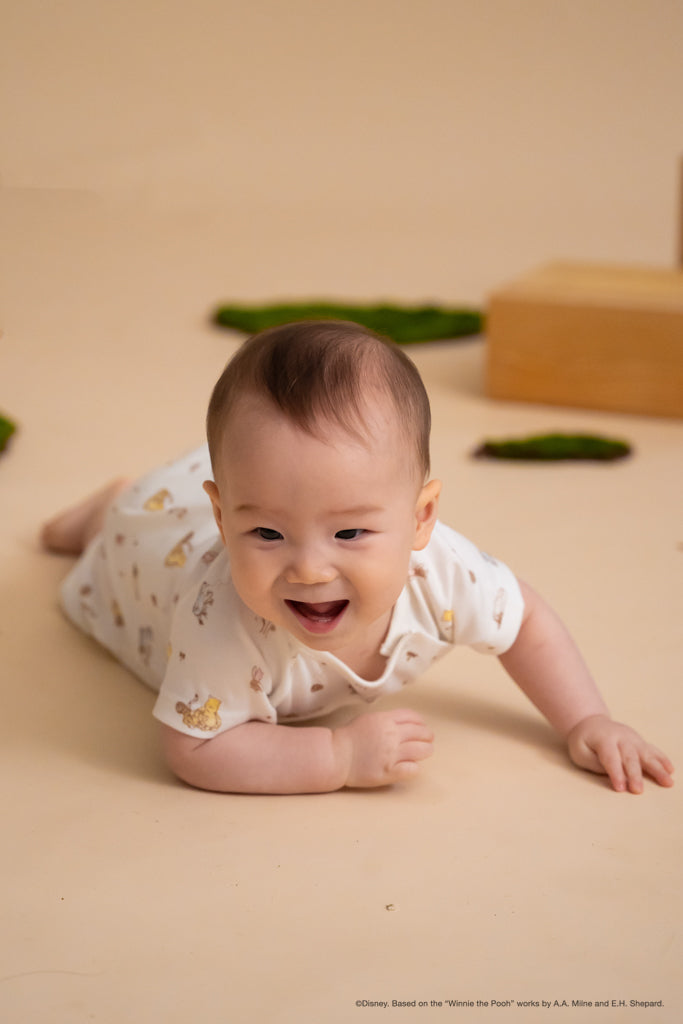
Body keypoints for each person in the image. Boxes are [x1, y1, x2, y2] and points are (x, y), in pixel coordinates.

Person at [42, 320, 674, 796]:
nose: (310, 569)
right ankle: (107, 507)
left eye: (349, 535)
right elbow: (194, 747)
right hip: (146, 551)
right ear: (223, 517)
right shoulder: (222, 622)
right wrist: (336, 758)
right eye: (266, 534)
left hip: (225, 495)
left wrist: (586, 719)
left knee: (229, 501)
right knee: (133, 520)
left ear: (421, 518)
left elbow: (525, 621)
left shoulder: (443, 572)